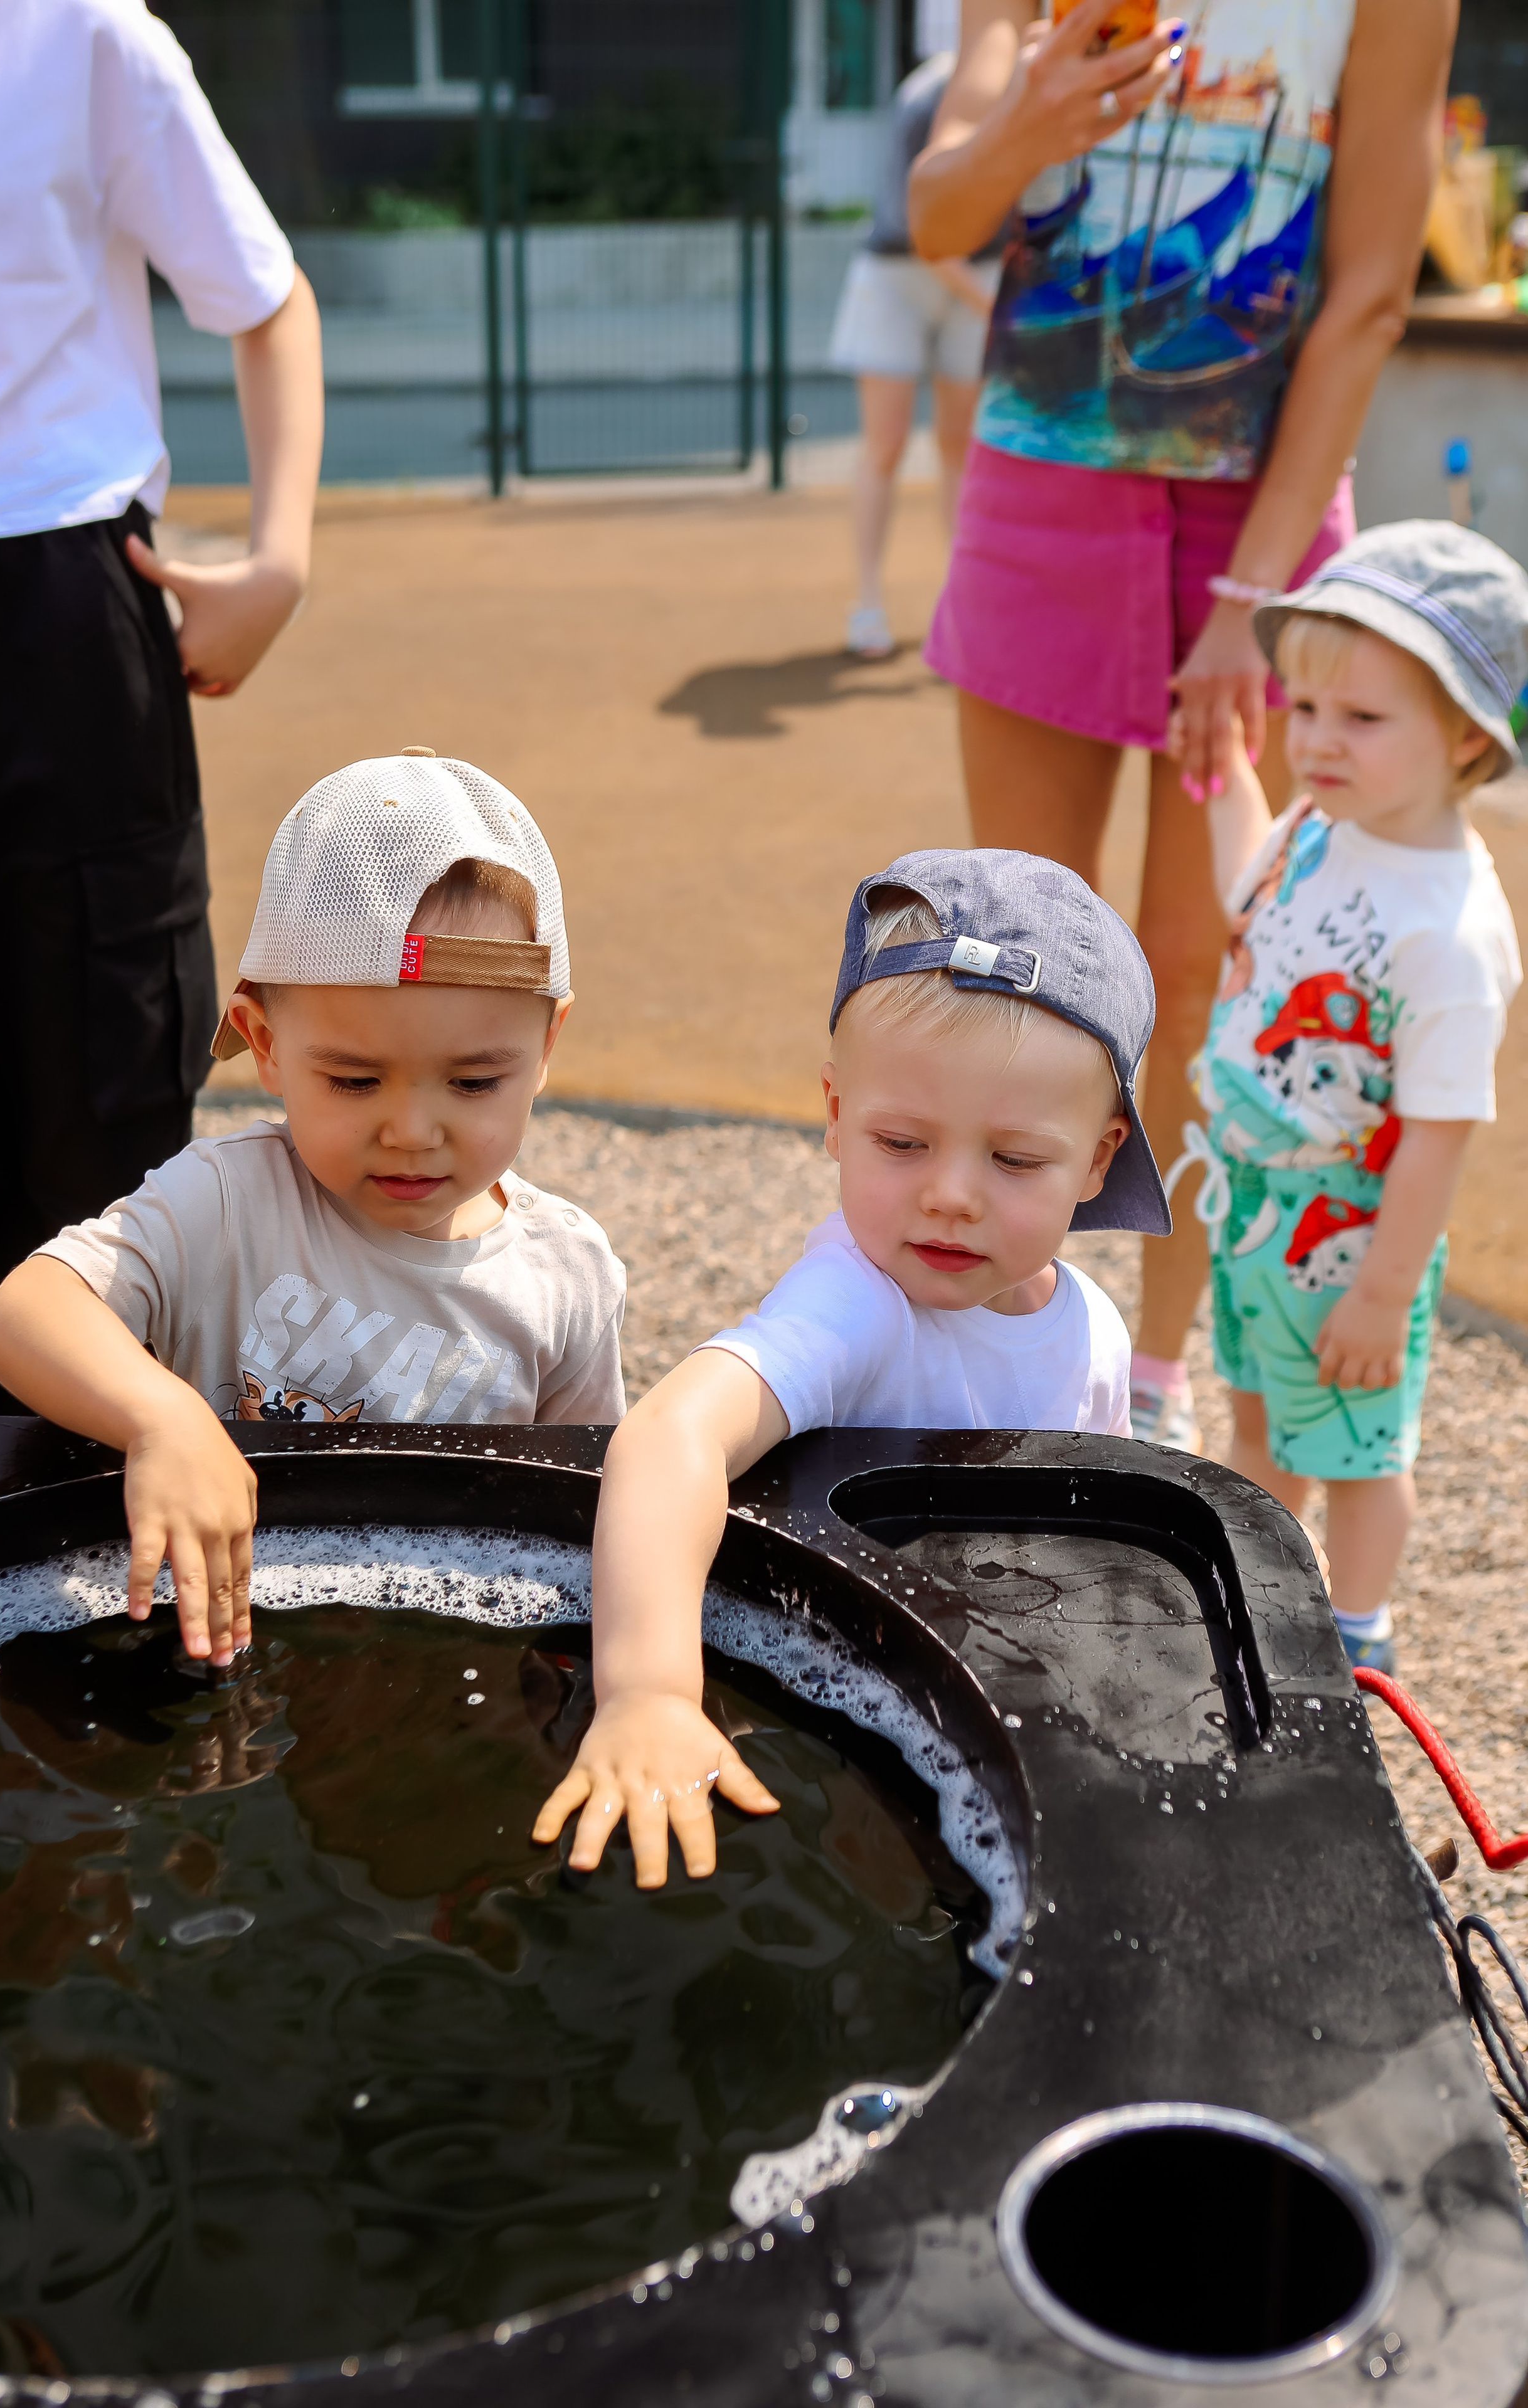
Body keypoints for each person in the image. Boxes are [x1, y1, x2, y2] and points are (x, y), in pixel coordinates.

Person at [907, 0, 1457, 1452]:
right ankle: (1006, 1356)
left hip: (1259, 522)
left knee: (1205, 984)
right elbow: (935, 215)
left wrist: (1252, 600)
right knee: (1019, 976)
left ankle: (1153, 1385)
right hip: (1039, 495)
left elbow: (1367, 298)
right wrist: (1036, 113)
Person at [533, 850, 1169, 1886]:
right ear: (835, 1115)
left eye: (1014, 1161)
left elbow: (1099, 1541)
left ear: (1098, 1161)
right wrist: (648, 1693)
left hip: (985, 1707)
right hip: (839, 1719)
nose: (952, 1195)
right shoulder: (862, 1306)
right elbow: (669, 1437)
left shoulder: (1092, 1327)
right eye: (903, 1143)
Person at [0, 752, 627, 1667]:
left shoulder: (565, 1276)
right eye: (354, 1080)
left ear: (548, 1044)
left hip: (438, 1669)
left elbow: (589, 1508)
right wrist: (162, 1418)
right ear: (266, 1045)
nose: (411, 1130)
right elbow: (21, 1314)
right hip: (212, 1646)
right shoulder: (228, 1201)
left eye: (475, 1081)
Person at [0, 0, 326, 1410]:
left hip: (57, 604)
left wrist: (279, 555)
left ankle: (139, 1468)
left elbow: (266, 294)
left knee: (102, 1082)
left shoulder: (78, 36)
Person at [1173, 523, 1525, 1672]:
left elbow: (1439, 1135)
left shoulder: (1451, 932)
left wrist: (1381, 1296)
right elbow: (1246, 896)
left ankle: (1360, 1641)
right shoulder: (1323, 826)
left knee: (1365, 1453)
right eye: (1307, 708)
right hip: (1254, 1207)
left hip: (1349, 1239)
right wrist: (1229, 776)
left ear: (1469, 735)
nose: (1318, 740)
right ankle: (1259, 1590)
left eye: (1361, 720)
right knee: (1260, 1424)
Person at [829, 41, 999, 660]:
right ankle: (867, 601)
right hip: (897, 275)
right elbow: (921, 229)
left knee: (959, 447)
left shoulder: (1034, 89)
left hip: (976, 281)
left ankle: (962, 606)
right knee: (886, 443)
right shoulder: (925, 96)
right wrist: (990, 304)